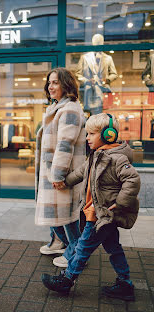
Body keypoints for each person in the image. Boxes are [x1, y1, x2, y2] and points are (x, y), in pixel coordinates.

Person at [42, 113, 141, 301]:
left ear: (108, 135)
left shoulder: (117, 159)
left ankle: (67, 280)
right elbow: (81, 171)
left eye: (91, 134)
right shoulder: (96, 155)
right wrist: (65, 181)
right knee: (114, 248)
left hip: (101, 215)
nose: (87, 138)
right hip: (100, 214)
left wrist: (119, 203)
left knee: (83, 247)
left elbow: (132, 180)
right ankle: (125, 283)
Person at [35, 67, 86, 268]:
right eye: (49, 82)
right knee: (57, 212)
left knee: (67, 215)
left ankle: (75, 252)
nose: (50, 86)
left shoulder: (70, 109)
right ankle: (59, 242)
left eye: (55, 82)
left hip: (62, 173)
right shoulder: (57, 107)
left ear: (66, 84)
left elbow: (65, 145)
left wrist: (58, 176)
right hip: (53, 171)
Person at [75, 34, 118, 114]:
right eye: (96, 42)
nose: (97, 44)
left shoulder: (108, 58)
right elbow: (77, 74)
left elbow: (114, 74)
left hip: (103, 90)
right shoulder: (85, 57)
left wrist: (107, 80)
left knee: (101, 114)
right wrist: (87, 81)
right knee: (88, 114)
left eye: (99, 42)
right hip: (87, 92)